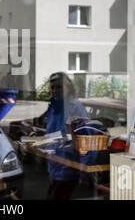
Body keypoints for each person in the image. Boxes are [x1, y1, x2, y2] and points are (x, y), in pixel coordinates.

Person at [44, 72, 88, 200]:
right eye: (52, 87)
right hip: (54, 167)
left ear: (68, 88)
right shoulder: (53, 107)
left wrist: (83, 170)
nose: (55, 90)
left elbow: (85, 139)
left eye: (59, 87)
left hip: (69, 168)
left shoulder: (75, 107)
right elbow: (52, 137)